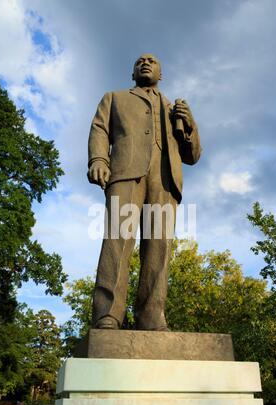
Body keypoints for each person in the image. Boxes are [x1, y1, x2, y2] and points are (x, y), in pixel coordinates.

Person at [88, 54, 201, 331]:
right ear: (132, 73)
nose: (146, 63)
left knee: (159, 247)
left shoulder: (173, 108)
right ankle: (108, 314)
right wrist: (99, 160)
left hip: (164, 180)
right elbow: (99, 129)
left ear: (161, 74)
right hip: (125, 174)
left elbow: (192, 156)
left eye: (152, 61)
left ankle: (151, 315)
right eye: (140, 61)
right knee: (118, 240)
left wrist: (189, 126)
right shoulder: (114, 97)